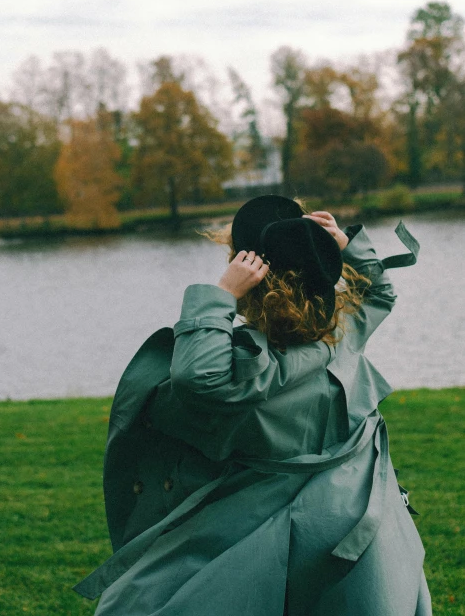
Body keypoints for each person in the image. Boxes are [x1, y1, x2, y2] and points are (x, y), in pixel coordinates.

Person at [74, 195, 431, 616]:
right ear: (325, 272)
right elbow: (379, 294)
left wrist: (219, 294)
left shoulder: (248, 369)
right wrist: (345, 245)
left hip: (266, 516)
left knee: (155, 596)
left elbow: (195, 377)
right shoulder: (346, 331)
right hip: (358, 504)